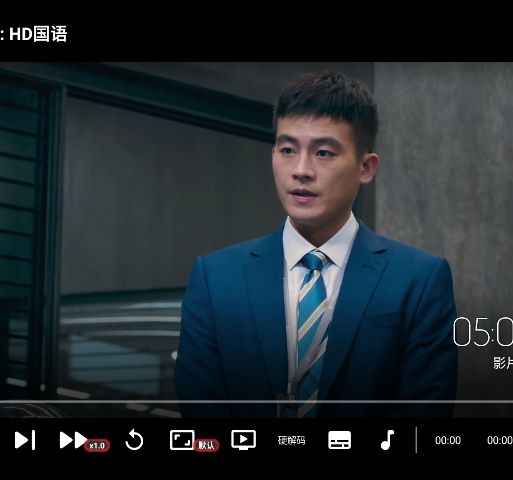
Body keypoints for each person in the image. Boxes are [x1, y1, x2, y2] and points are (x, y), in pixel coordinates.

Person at [174, 70, 458, 418]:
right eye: (288, 150)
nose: (301, 170)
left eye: (323, 152)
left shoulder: (420, 280)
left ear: (366, 168)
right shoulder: (215, 278)